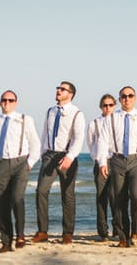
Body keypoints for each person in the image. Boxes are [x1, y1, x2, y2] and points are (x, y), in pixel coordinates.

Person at [97, 86, 137, 248]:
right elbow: (102, 140)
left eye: (130, 95)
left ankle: (135, 230)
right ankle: (124, 238)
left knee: (136, 195)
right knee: (119, 199)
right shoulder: (111, 118)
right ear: (120, 99)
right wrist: (103, 162)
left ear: (135, 98)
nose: (127, 98)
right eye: (123, 96)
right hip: (117, 160)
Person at [33, 81, 86, 245]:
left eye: (62, 89)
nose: (58, 91)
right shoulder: (50, 111)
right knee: (41, 191)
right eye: (58, 88)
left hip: (67, 156)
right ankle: (42, 232)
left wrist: (70, 157)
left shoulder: (77, 113)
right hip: (49, 156)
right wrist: (42, 153)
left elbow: (79, 138)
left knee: (67, 195)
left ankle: (67, 233)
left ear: (70, 94)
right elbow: (44, 133)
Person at [0, 90, 41, 253]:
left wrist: (29, 163)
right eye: (4, 100)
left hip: (21, 163)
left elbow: (35, 144)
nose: (7, 103)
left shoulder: (25, 120)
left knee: (17, 198)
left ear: (16, 102)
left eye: (10, 100)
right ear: (0, 102)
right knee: (1, 203)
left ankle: (21, 235)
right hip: (1, 163)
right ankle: (6, 242)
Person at [86, 94, 117, 242]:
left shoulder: (119, 121)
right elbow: (91, 145)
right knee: (101, 197)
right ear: (101, 107)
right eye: (105, 105)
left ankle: (118, 228)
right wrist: (99, 160)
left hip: (117, 162)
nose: (108, 108)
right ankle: (103, 231)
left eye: (111, 105)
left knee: (116, 196)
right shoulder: (94, 123)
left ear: (115, 106)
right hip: (101, 163)